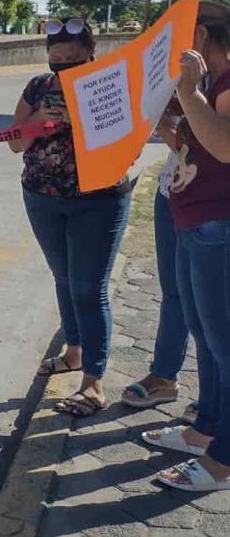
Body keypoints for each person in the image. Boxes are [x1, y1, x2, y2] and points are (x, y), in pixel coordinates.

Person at [9, 18, 132, 417]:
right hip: (41, 195)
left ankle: (94, 383)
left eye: (70, 61)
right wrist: (40, 119)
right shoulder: (37, 88)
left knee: (89, 288)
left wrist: (81, 119)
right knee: (64, 278)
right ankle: (74, 351)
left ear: (90, 55)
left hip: (98, 200)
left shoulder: (111, 85)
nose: (60, 66)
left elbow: (125, 146)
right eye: (55, 59)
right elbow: (15, 142)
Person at [143, 2, 230, 492]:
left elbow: (224, 146)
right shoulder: (213, 83)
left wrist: (188, 90)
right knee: (207, 338)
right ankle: (205, 430)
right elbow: (197, 145)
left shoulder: (224, 80)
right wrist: (167, 125)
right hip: (196, 221)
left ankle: (223, 460)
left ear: (199, 33)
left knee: (225, 345)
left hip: (219, 226)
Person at [121, 101, 198, 423]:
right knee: (175, 292)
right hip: (172, 191)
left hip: (214, 203)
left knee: (214, 302)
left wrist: (165, 122)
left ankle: (216, 396)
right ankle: (164, 377)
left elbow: (203, 145)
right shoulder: (187, 78)